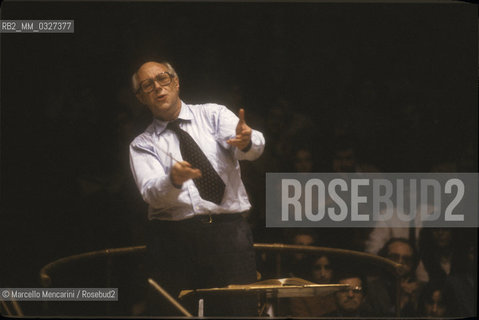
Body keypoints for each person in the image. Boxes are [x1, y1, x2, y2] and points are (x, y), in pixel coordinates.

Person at [129, 61, 265, 316]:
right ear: (140, 98)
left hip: (229, 234)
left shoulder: (212, 115)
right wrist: (174, 180)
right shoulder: (142, 144)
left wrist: (247, 141)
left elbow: (248, 148)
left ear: (176, 82)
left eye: (163, 79)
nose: (158, 87)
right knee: (175, 314)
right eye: (148, 85)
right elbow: (150, 193)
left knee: (239, 312)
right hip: (173, 239)